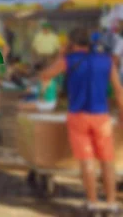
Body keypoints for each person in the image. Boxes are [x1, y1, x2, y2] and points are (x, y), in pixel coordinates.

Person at [40, 27, 123, 215]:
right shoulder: (107, 61)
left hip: (78, 116)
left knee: (86, 161)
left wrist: (61, 54)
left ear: (71, 43)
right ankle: (112, 204)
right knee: (107, 161)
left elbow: (45, 75)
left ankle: (92, 203)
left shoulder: (67, 61)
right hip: (102, 117)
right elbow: (119, 90)